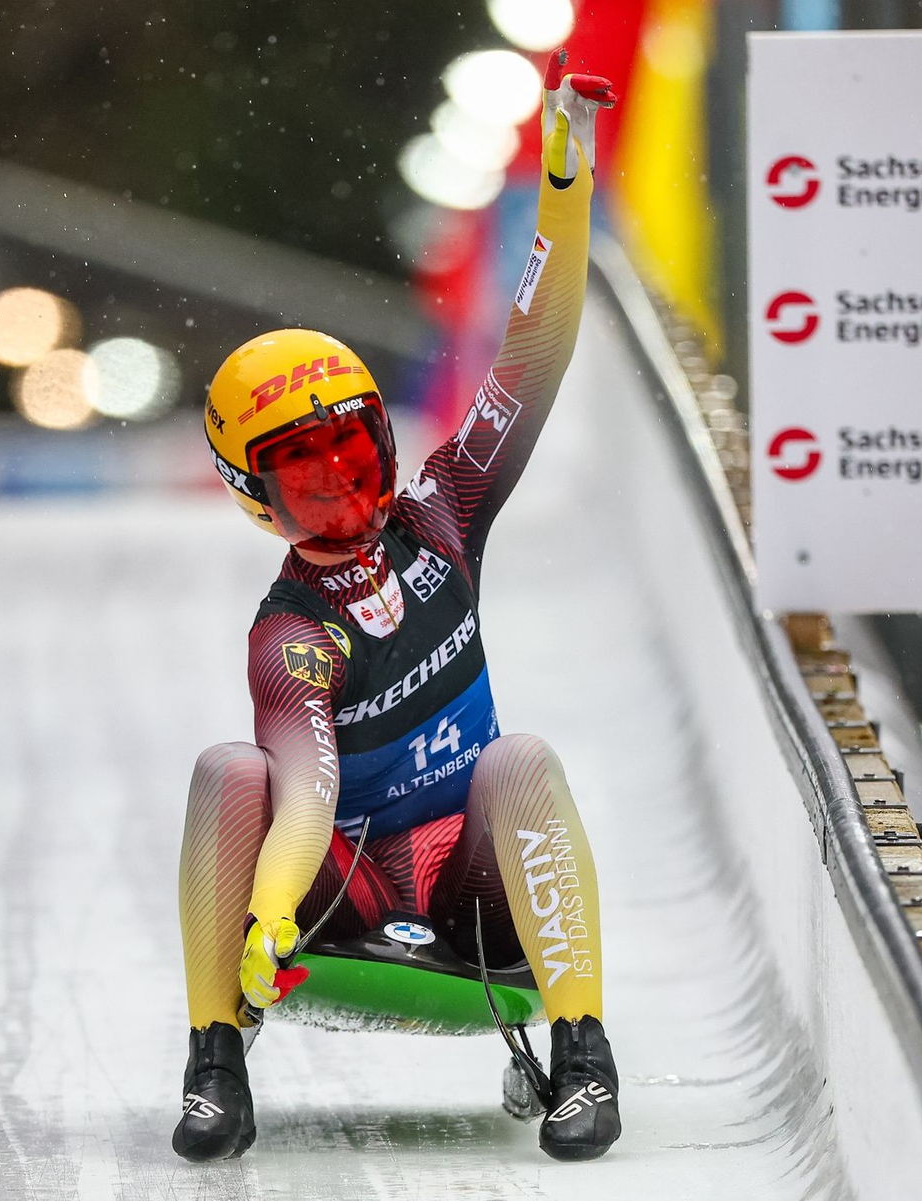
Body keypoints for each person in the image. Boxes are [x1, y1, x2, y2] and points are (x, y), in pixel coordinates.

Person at [175, 49, 620, 1164]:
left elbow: (535, 354)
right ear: (258, 501)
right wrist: (273, 914)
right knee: (232, 773)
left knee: (520, 761)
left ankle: (586, 1055)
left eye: (352, 452)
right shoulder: (290, 632)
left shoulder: (447, 510)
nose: (340, 486)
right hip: (337, 901)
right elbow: (307, 790)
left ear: (385, 438)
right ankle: (213, 1061)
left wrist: (563, 195)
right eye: (305, 474)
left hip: (473, 892)